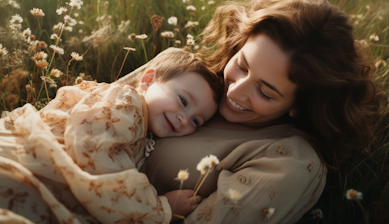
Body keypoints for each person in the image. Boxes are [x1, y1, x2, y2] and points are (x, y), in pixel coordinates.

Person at [117, 0, 381, 223]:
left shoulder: (290, 161)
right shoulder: (180, 74)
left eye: (265, 92)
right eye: (242, 65)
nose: (234, 92)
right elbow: (90, 105)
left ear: (300, 105)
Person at [0, 49, 223, 223]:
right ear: (148, 80)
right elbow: (94, 150)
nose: (185, 118)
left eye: (196, 121)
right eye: (183, 101)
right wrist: (158, 207)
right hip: (30, 156)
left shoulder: (145, 129)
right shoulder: (127, 102)